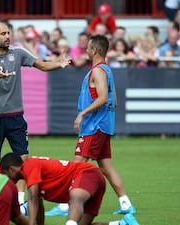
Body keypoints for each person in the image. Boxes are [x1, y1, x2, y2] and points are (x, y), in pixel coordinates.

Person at [0, 21, 71, 206]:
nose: (7, 36)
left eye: (8, 33)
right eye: (3, 33)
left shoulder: (18, 53)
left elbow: (42, 66)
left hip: (15, 117)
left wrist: (59, 64)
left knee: (23, 161)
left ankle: (20, 202)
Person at [47, 35, 137, 217]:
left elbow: (103, 98)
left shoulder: (97, 71)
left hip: (93, 127)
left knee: (76, 166)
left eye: (88, 48)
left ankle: (65, 205)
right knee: (106, 167)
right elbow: (115, 100)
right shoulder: (107, 70)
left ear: (94, 50)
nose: (85, 51)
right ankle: (126, 205)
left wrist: (82, 114)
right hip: (103, 125)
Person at [0, 153, 140, 225]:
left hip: (86, 174)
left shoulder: (29, 165)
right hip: (93, 181)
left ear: (11, 169)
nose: (7, 179)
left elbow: (33, 198)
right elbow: (39, 205)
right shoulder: (32, 176)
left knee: (75, 198)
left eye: (5, 174)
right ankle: (123, 223)